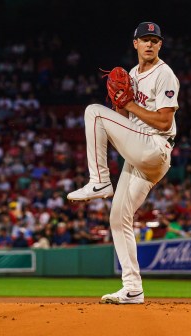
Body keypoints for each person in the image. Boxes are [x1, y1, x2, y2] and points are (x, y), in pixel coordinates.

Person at [67, 21, 179, 305]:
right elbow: (126, 120)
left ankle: (99, 180)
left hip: (155, 147)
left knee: (93, 111)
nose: (150, 44)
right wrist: (120, 104)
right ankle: (132, 288)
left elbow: (165, 120)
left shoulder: (164, 74)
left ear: (160, 45)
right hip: (140, 153)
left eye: (155, 40)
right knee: (118, 219)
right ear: (136, 44)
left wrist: (128, 105)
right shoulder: (131, 74)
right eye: (145, 40)